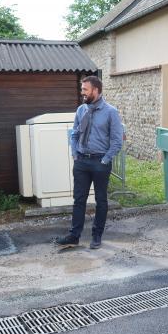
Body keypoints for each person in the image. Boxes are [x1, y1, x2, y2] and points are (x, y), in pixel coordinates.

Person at [56, 76, 123, 250]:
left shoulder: (111, 112)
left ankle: (97, 235)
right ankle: (74, 236)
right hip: (81, 162)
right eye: (82, 89)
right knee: (79, 200)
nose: (82, 92)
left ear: (96, 90)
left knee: (101, 200)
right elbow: (75, 134)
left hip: (100, 162)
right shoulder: (81, 110)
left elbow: (117, 141)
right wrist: (75, 154)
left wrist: (105, 160)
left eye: (85, 89)